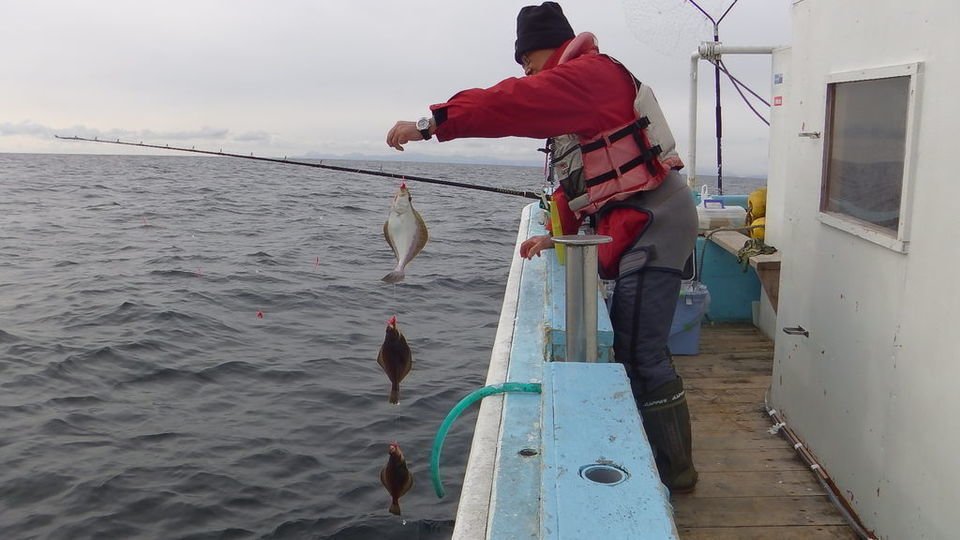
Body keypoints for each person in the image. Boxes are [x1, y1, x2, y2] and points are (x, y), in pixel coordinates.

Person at [385, 2, 698, 493]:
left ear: (544, 48)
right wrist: (554, 234)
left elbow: (509, 102)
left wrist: (430, 124)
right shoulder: (581, 93)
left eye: (526, 58)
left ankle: (676, 473)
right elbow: (580, 181)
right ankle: (658, 457)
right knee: (634, 347)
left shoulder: (590, 75)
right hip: (636, 222)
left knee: (644, 352)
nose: (524, 69)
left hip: (656, 222)